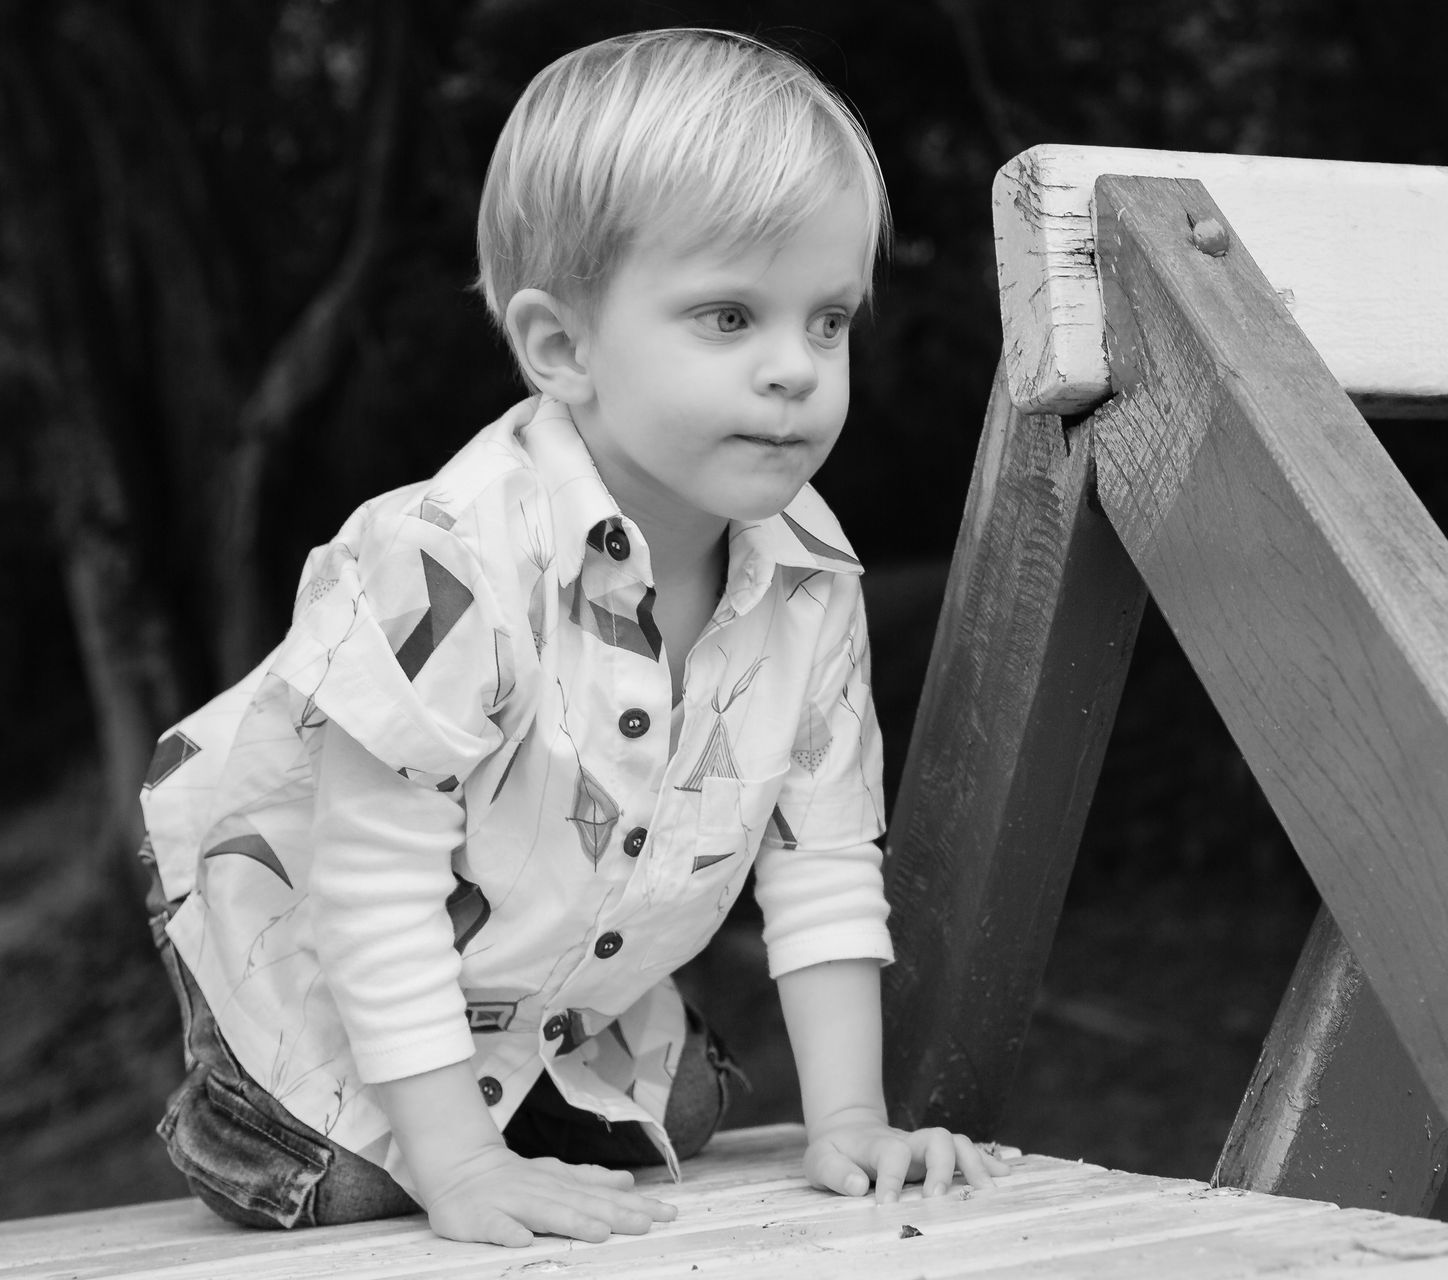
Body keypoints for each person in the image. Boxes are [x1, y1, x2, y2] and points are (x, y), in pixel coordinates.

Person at [137, 28, 1008, 1247]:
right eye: (727, 316)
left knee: (684, 1118)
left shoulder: (808, 575)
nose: (794, 370)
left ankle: (543, 1068)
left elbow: (821, 852)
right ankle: (261, 1108)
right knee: (350, 1183)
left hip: (546, 947)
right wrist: (459, 1168)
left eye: (828, 320)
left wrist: (851, 1115)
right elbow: (369, 886)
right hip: (313, 931)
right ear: (560, 347)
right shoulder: (449, 556)